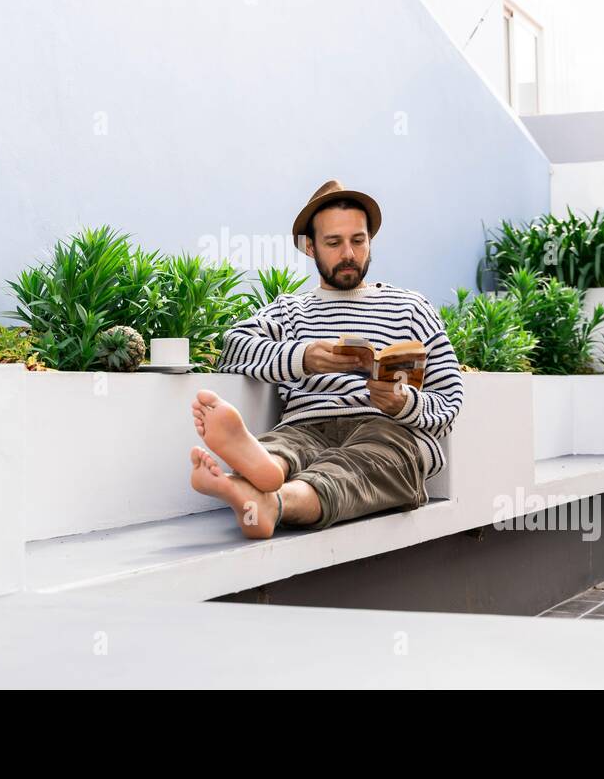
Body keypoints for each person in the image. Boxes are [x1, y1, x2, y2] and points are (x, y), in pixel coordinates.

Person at [189, 179, 463, 538]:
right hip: (307, 423)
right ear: (309, 247)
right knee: (284, 445)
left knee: (361, 466)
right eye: (334, 243)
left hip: (386, 430)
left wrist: (402, 403)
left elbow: (449, 399)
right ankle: (265, 469)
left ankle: (268, 497)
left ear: (370, 241)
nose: (348, 253)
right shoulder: (290, 310)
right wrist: (303, 357)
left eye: (358, 240)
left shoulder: (410, 307)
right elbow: (234, 348)